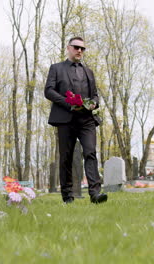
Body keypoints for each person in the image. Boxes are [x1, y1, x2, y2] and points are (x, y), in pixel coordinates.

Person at [44, 36, 108, 204]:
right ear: (68, 48)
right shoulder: (56, 68)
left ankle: (95, 193)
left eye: (82, 48)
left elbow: (95, 95)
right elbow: (49, 91)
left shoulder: (89, 72)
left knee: (90, 153)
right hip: (65, 119)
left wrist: (94, 103)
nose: (79, 51)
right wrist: (67, 103)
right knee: (66, 157)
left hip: (86, 119)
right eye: (76, 47)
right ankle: (68, 197)